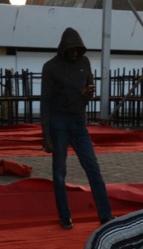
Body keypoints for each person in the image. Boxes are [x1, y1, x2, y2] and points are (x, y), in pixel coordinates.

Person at [40, 27, 113, 229]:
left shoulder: (84, 62)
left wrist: (88, 94)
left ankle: (105, 216)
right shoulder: (51, 67)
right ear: (64, 49)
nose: (74, 53)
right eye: (71, 50)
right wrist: (46, 134)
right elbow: (45, 102)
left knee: (93, 168)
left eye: (77, 50)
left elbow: (89, 87)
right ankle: (65, 216)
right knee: (59, 172)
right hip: (58, 123)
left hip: (79, 122)